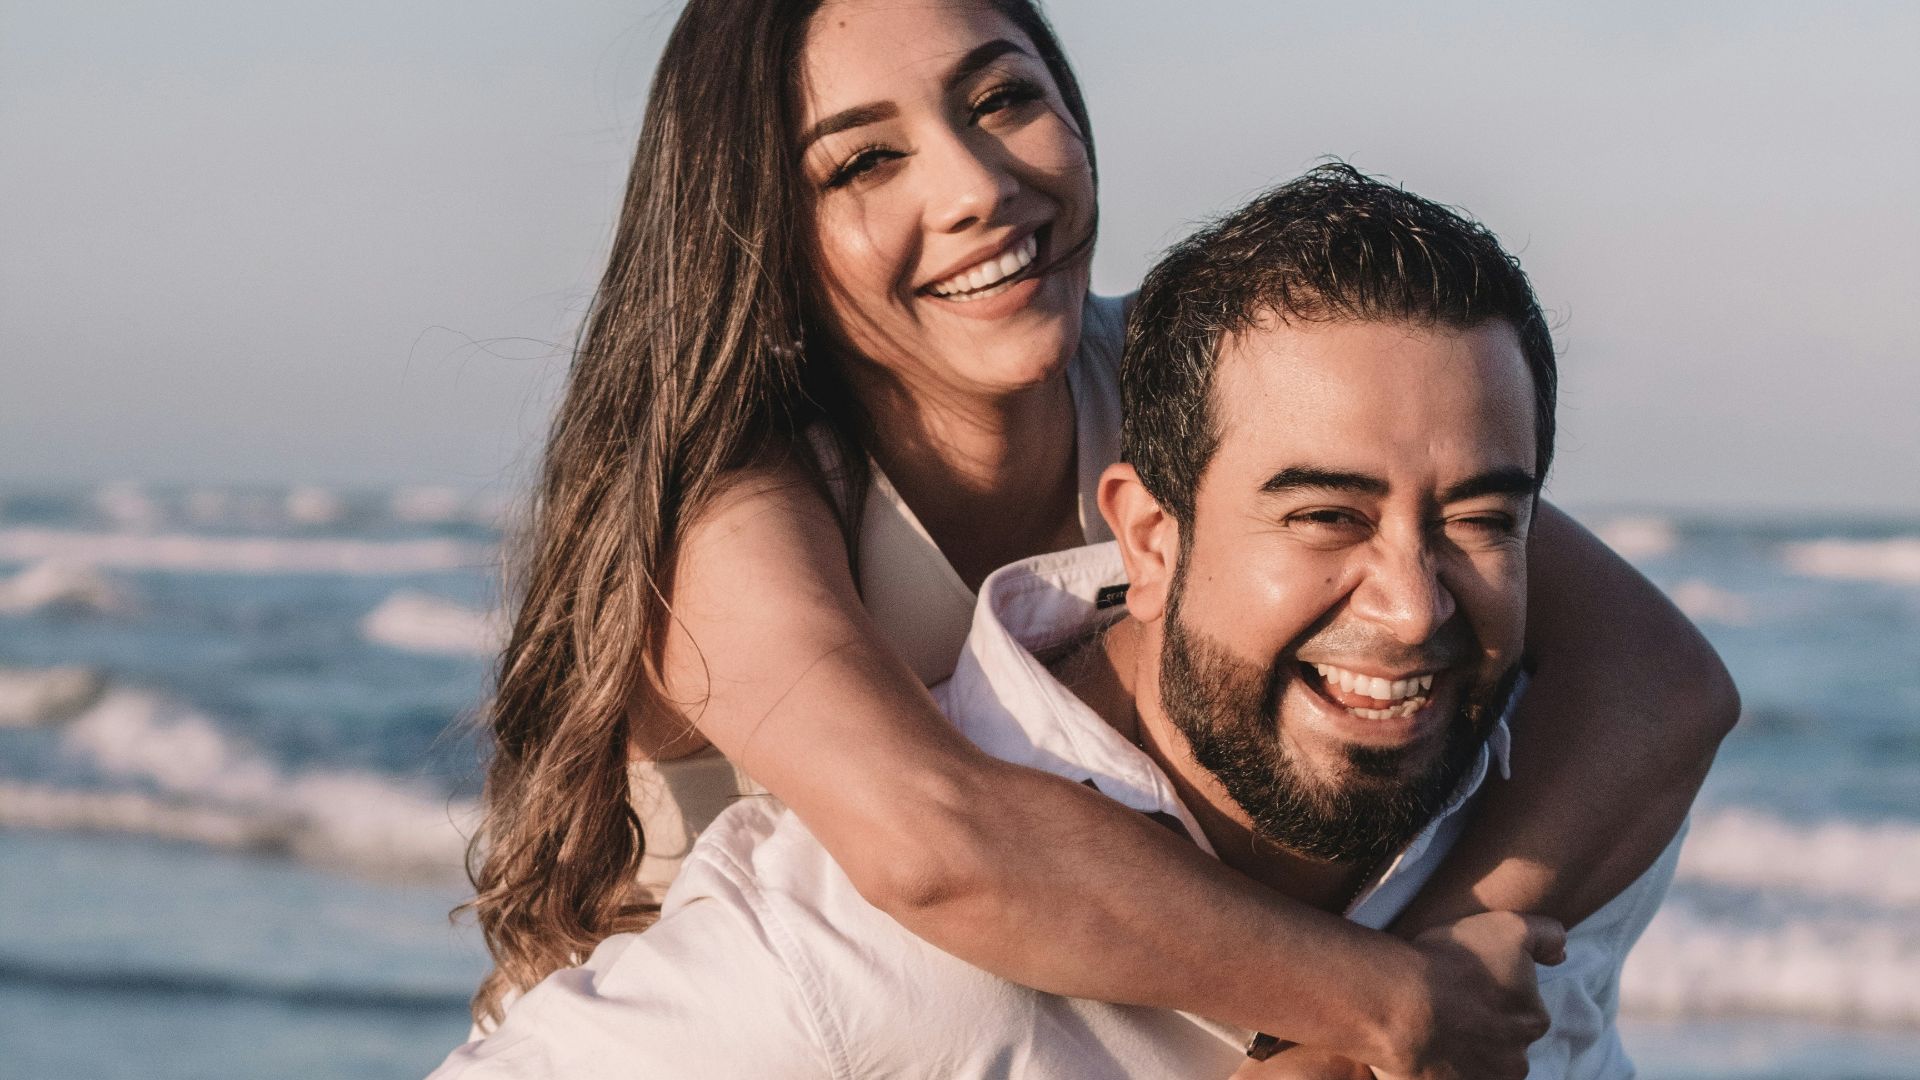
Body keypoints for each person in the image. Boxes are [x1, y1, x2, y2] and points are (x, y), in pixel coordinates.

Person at [463, 0, 1736, 1072]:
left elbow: (1657, 681)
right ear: (760, 229)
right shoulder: (736, 501)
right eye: (863, 162)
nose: (976, 186)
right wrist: (1391, 1009)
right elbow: (936, 844)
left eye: (1003, 100)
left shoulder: (1187, 381)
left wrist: (1449, 949)